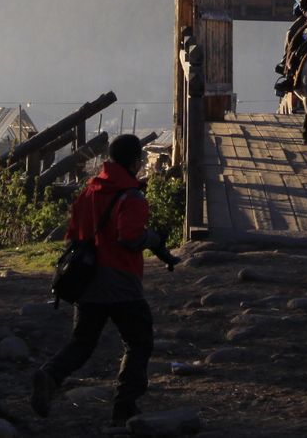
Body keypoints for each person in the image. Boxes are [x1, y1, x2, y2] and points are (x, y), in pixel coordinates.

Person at [32, 133, 180, 424]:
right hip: (121, 280)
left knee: (82, 343)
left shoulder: (92, 188)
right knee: (139, 343)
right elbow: (130, 237)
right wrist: (154, 238)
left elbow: (73, 231)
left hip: (87, 279)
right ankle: (125, 407)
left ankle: (50, 375)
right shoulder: (131, 195)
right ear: (136, 161)